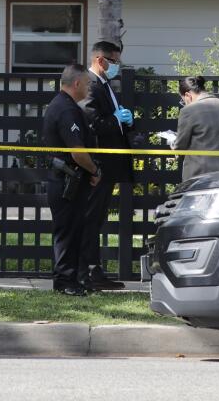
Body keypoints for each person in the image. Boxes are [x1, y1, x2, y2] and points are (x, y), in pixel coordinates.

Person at [42, 64, 101, 296]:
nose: (88, 89)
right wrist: (95, 170)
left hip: (69, 179)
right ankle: (65, 282)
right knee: (67, 234)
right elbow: (78, 152)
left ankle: (73, 280)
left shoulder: (62, 105)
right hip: (67, 181)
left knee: (74, 231)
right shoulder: (67, 110)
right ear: (76, 83)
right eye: (86, 84)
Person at [78, 41, 133, 291]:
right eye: (115, 62)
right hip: (98, 166)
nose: (117, 67)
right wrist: (114, 118)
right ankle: (88, 272)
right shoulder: (90, 85)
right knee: (90, 220)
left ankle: (94, 270)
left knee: (97, 219)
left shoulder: (105, 85)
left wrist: (125, 120)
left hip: (109, 166)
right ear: (101, 60)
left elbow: (108, 120)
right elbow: (92, 124)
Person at [173, 76, 219, 181]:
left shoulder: (188, 110)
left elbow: (180, 146)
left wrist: (173, 144)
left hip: (201, 176)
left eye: (183, 101)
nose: (184, 104)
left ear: (188, 95)